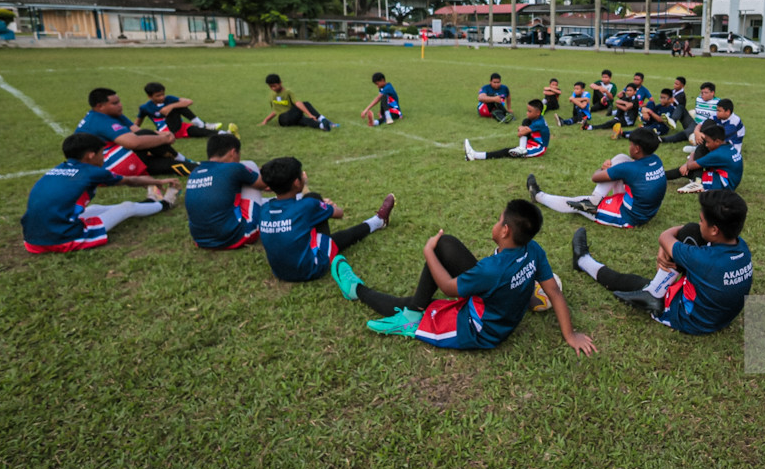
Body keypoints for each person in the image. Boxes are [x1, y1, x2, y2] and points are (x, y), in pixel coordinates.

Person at [328, 199, 597, 355]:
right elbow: (554, 292)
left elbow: (447, 288)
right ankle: (415, 307)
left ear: (504, 231)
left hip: (480, 330)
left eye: (497, 220)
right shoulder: (533, 249)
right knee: (448, 244)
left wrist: (428, 251)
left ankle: (358, 291)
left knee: (415, 303)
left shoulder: (491, 269)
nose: (494, 222)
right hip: (500, 306)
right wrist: (570, 334)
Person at [569, 189, 752, 334]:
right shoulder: (742, 247)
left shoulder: (702, 259)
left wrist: (664, 247)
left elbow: (665, 236)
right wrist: (673, 243)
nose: (699, 222)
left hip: (689, 319)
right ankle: (656, 289)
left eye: (701, 220)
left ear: (714, 230)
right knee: (691, 231)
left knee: (633, 283)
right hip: (721, 317)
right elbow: (689, 233)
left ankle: (584, 261)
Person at [21, 132, 179, 253]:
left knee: (93, 209)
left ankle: (151, 202)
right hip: (62, 238)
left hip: (32, 239)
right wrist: (158, 182)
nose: (103, 157)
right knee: (127, 207)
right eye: (101, 153)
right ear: (91, 155)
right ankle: (165, 203)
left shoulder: (58, 169)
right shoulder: (92, 172)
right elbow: (132, 180)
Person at [257, 157, 395, 282]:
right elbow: (339, 213)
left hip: (280, 272)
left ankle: (377, 221)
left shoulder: (264, 209)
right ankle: (377, 221)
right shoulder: (308, 205)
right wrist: (323, 204)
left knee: (308, 223)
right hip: (311, 270)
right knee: (314, 198)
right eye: (301, 174)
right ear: (297, 183)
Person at [527, 129, 666, 228]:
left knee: (576, 204)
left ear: (636, 149)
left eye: (630, 145)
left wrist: (603, 168)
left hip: (628, 217)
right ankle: (595, 200)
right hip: (644, 208)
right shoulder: (656, 159)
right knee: (622, 157)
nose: (629, 147)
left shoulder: (629, 169)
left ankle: (539, 196)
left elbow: (596, 177)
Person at [76, 87, 197, 177]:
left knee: (168, 164)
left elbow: (136, 130)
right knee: (146, 137)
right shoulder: (100, 120)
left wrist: (164, 133)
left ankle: (201, 169)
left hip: (114, 159)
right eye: (115, 103)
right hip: (106, 166)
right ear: (100, 106)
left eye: (119, 101)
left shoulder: (110, 114)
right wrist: (164, 138)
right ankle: (183, 159)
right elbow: (134, 143)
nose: (120, 105)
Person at [184, 133, 270, 250]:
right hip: (237, 237)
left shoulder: (195, 172)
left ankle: (265, 203)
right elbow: (264, 184)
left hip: (200, 240)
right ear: (233, 152)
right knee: (248, 165)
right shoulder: (234, 168)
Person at [135, 82, 237, 140]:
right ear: (149, 96)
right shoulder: (145, 108)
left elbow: (188, 101)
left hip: (180, 127)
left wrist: (170, 106)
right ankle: (201, 123)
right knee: (176, 108)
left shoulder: (169, 99)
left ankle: (227, 134)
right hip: (166, 131)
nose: (162, 97)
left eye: (163, 94)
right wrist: (133, 135)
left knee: (202, 132)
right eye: (158, 96)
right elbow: (137, 124)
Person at [664, 123, 743, 194]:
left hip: (724, 185)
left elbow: (691, 166)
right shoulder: (728, 146)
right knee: (687, 169)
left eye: (708, 142)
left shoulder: (717, 154)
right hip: (729, 179)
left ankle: (698, 183)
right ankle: (662, 177)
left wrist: (692, 155)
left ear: (717, 141)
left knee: (688, 170)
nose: (706, 145)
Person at [465, 99, 550, 160]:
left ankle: (475, 155)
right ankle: (522, 148)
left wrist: (521, 129)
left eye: (529, 111)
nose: (527, 113)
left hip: (539, 148)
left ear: (538, 113)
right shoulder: (535, 119)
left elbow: (520, 134)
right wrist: (522, 128)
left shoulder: (539, 123)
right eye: (527, 110)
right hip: (531, 142)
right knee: (526, 121)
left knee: (506, 152)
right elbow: (522, 131)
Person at [260, 74, 335, 132]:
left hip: (291, 117)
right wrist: (265, 120)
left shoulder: (287, 92)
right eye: (271, 87)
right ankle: (322, 118)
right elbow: (276, 110)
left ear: (280, 83)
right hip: (283, 119)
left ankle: (322, 126)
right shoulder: (272, 94)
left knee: (304, 120)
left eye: (275, 86)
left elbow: (296, 103)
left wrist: (309, 115)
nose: (273, 88)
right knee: (305, 104)